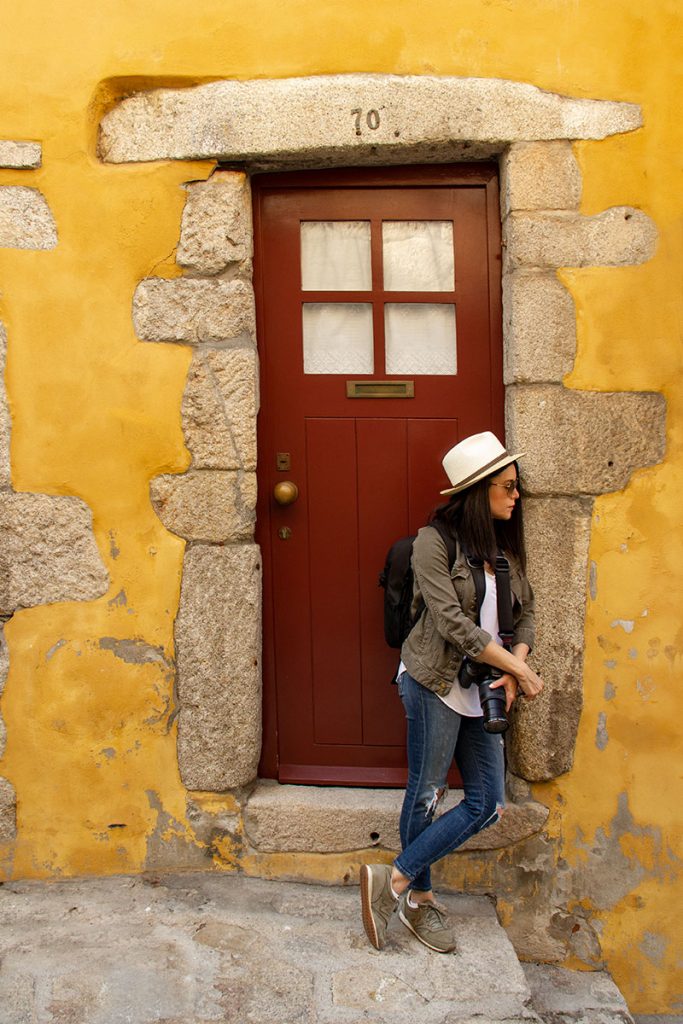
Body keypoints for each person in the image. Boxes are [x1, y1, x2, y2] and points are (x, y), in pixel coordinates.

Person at [360, 431, 543, 954]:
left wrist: (514, 668)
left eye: (517, 487)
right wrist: (523, 676)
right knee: (428, 791)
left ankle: (392, 880)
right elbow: (451, 623)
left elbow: (527, 612)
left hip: (486, 685)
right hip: (433, 681)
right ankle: (419, 900)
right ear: (480, 490)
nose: (516, 497)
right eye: (508, 487)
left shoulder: (504, 547)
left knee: (488, 804)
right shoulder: (431, 543)